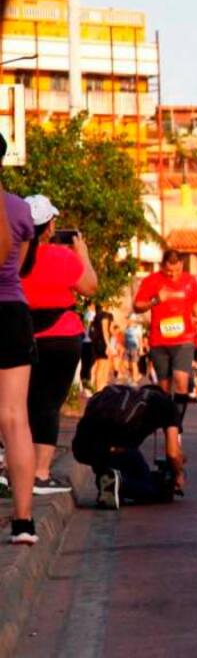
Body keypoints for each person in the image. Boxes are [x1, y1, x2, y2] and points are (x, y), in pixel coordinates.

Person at [20, 195, 99, 495]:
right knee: (49, 404)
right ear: (50, 227)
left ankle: (17, 467)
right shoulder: (62, 257)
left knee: (19, 405)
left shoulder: (11, 257)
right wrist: (83, 254)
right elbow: (89, 287)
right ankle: (40, 473)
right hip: (61, 337)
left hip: (22, 334)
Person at [71, 384, 186, 509]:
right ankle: (122, 483)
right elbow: (173, 453)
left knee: (122, 460)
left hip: (82, 446)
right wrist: (178, 474)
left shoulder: (119, 395)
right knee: (157, 490)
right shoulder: (166, 404)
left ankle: (111, 482)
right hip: (117, 440)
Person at [0, 184, 38, 543]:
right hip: (11, 313)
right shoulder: (20, 210)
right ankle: (23, 522)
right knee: (14, 418)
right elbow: (21, 268)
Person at [132, 250, 197, 426]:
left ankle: (175, 426)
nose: (173, 275)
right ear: (162, 266)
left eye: (177, 270)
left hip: (184, 339)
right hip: (159, 341)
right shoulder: (151, 281)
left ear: (182, 265)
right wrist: (156, 300)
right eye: (169, 271)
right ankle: (168, 425)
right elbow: (137, 306)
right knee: (164, 389)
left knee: (181, 381)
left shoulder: (190, 281)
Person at [89, 304, 116, 390]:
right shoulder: (105, 316)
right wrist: (109, 345)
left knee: (99, 365)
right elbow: (106, 331)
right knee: (102, 366)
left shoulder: (96, 316)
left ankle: (99, 386)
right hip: (103, 343)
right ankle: (99, 388)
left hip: (96, 343)